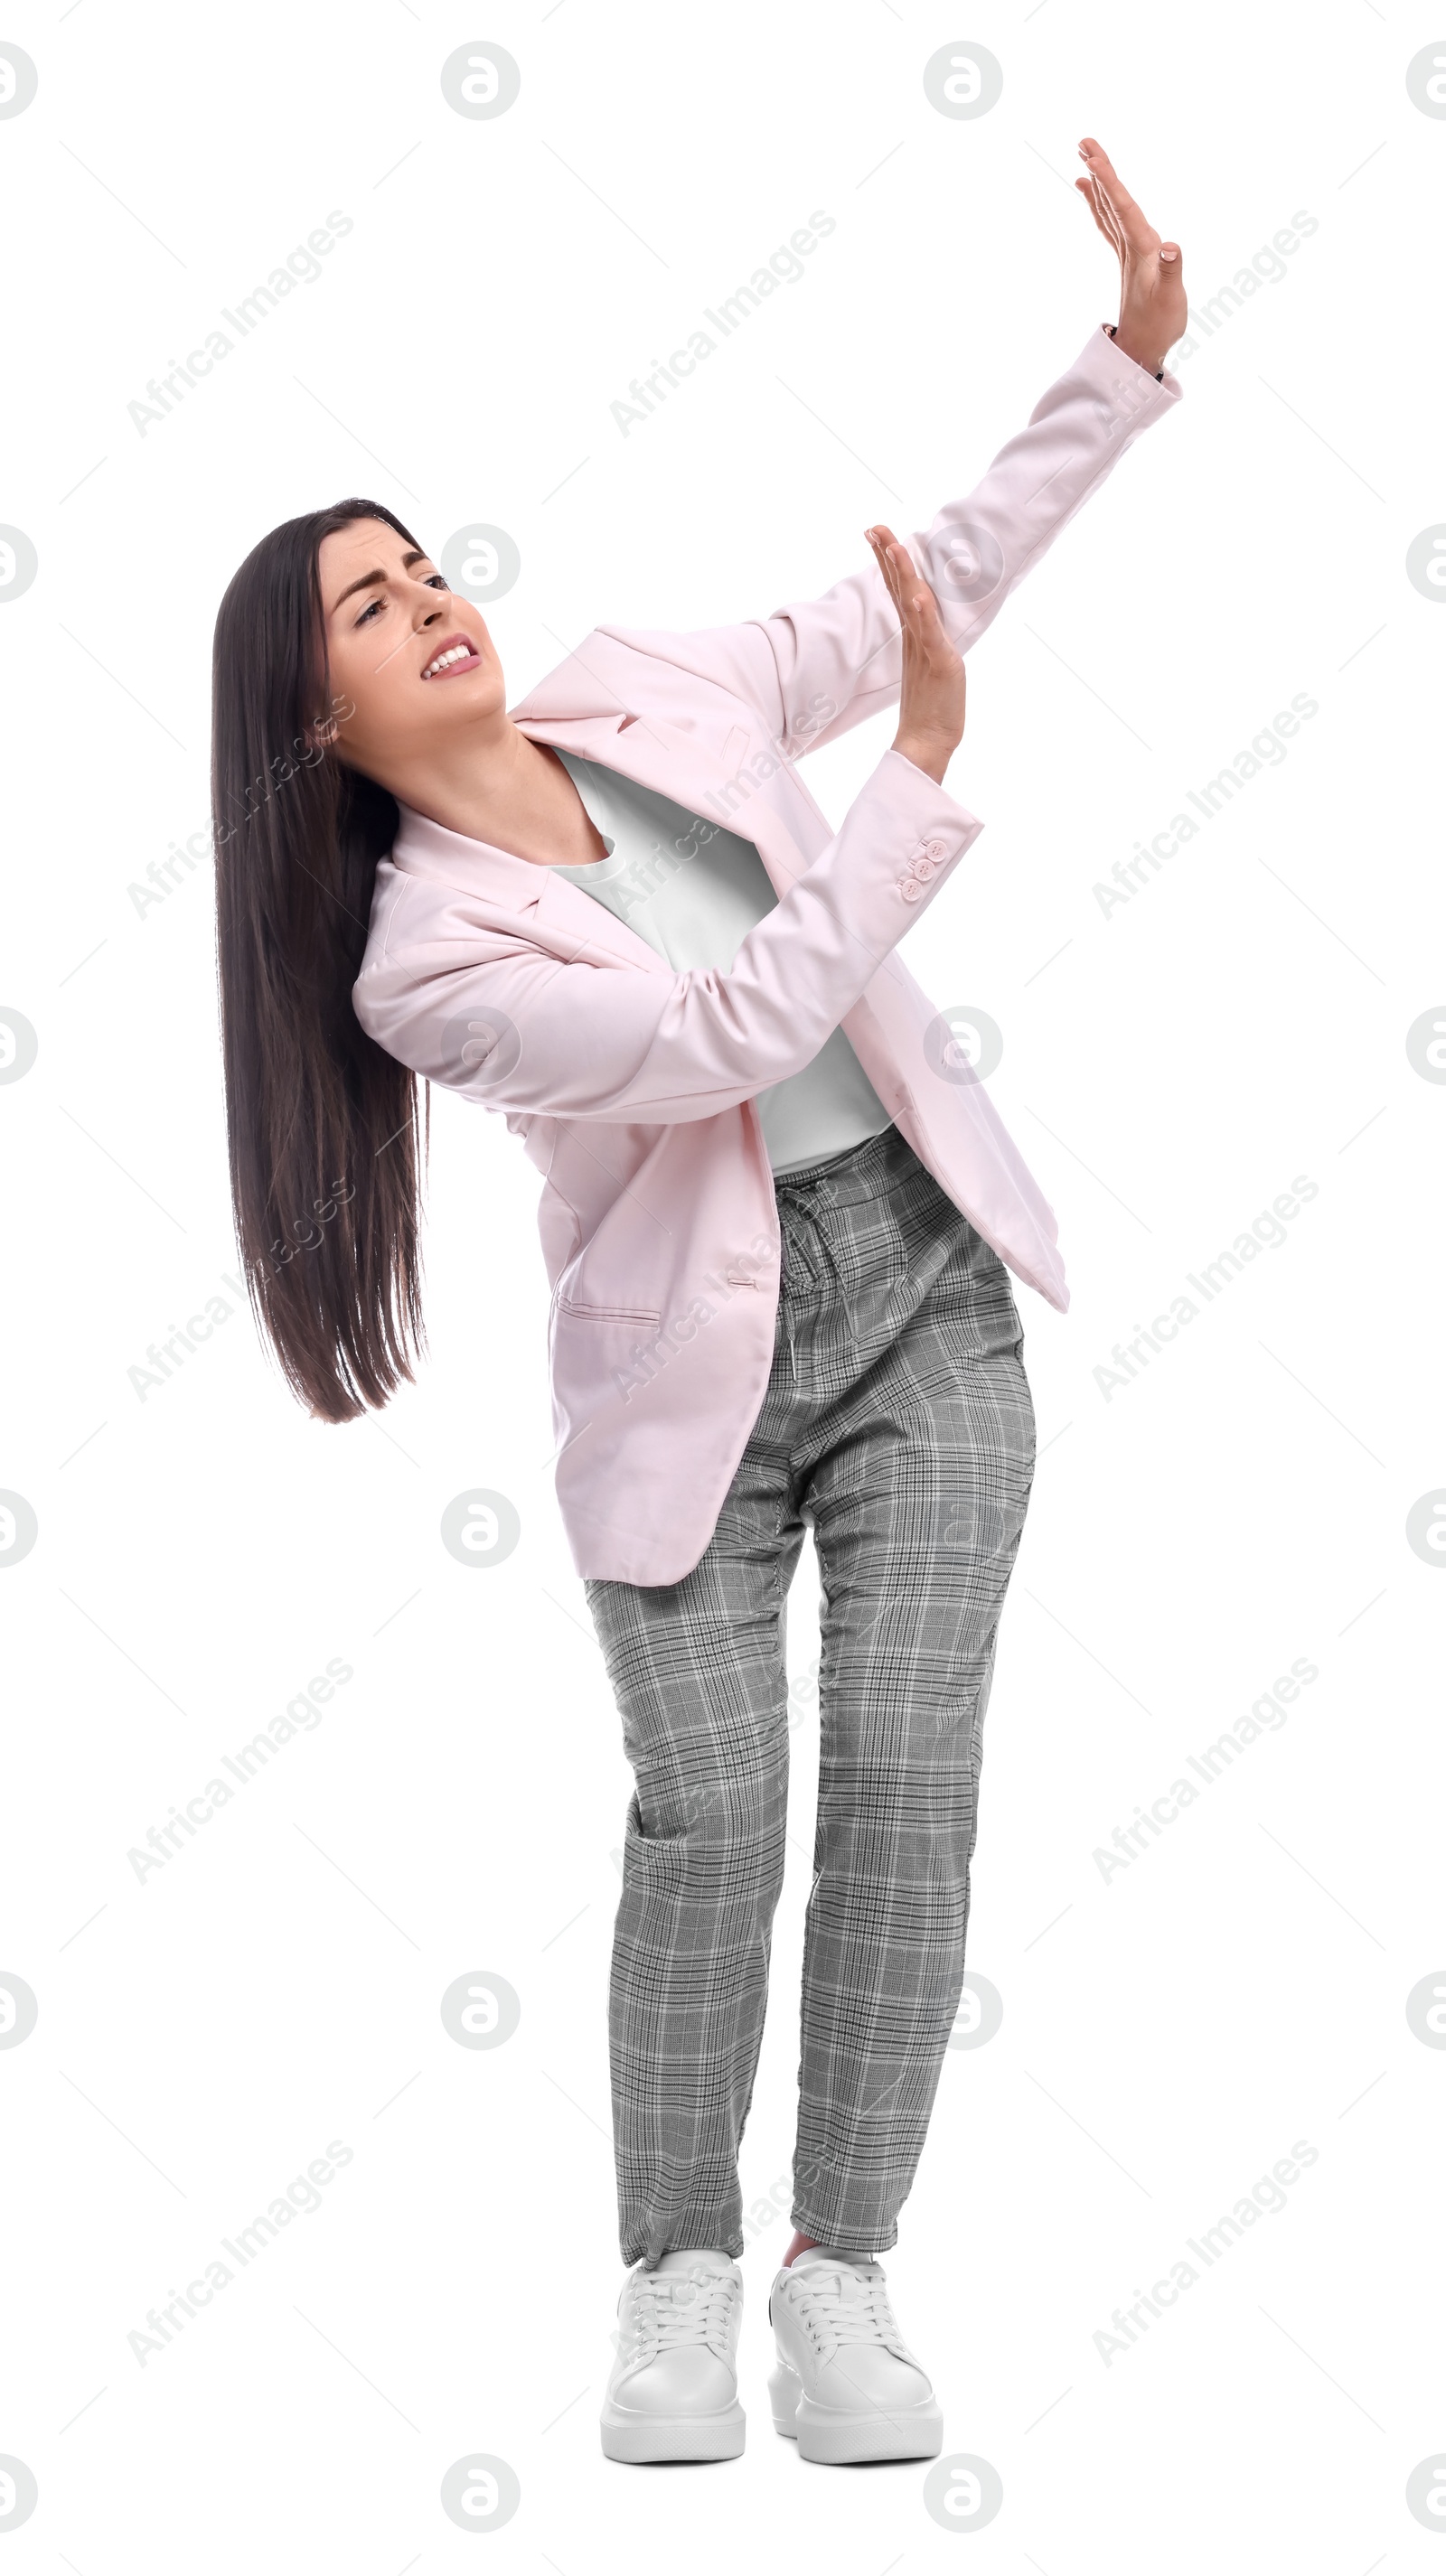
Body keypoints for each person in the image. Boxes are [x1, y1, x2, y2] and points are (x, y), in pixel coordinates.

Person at [211, 140, 1185, 2467]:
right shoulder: (420, 956)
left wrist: (1122, 361)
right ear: (319, 718)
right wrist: (916, 788)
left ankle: (838, 2274)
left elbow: (908, 593)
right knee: (710, 1819)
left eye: (425, 559)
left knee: (908, 1783)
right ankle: (672, 2267)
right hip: (690, 1384)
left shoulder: (649, 680)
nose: (429, 596)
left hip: (925, 1302)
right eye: (369, 601)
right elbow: (716, 1039)